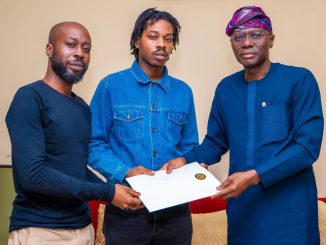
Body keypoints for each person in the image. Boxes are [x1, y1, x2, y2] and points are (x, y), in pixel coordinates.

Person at [164, 6, 324, 245]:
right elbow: (215, 143)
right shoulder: (226, 88)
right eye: (239, 37)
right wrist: (184, 161)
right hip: (244, 213)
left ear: (272, 39)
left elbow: (307, 147)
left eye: (256, 34)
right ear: (232, 44)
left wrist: (254, 176)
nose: (247, 42)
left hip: (291, 214)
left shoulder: (299, 80)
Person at [6, 21, 143, 245]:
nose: (79, 53)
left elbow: (77, 169)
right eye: (71, 45)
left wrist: (122, 186)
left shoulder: (81, 108)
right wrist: (108, 193)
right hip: (41, 230)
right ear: (49, 50)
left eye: (86, 48)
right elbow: (33, 176)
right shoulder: (29, 98)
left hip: (82, 228)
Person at [88, 8, 198, 245]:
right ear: (137, 41)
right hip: (127, 209)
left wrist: (184, 162)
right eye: (153, 36)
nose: (162, 44)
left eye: (168, 39)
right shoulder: (110, 87)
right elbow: (93, 144)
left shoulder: (183, 92)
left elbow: (190, 146)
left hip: (176, 213)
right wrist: (124, 171)